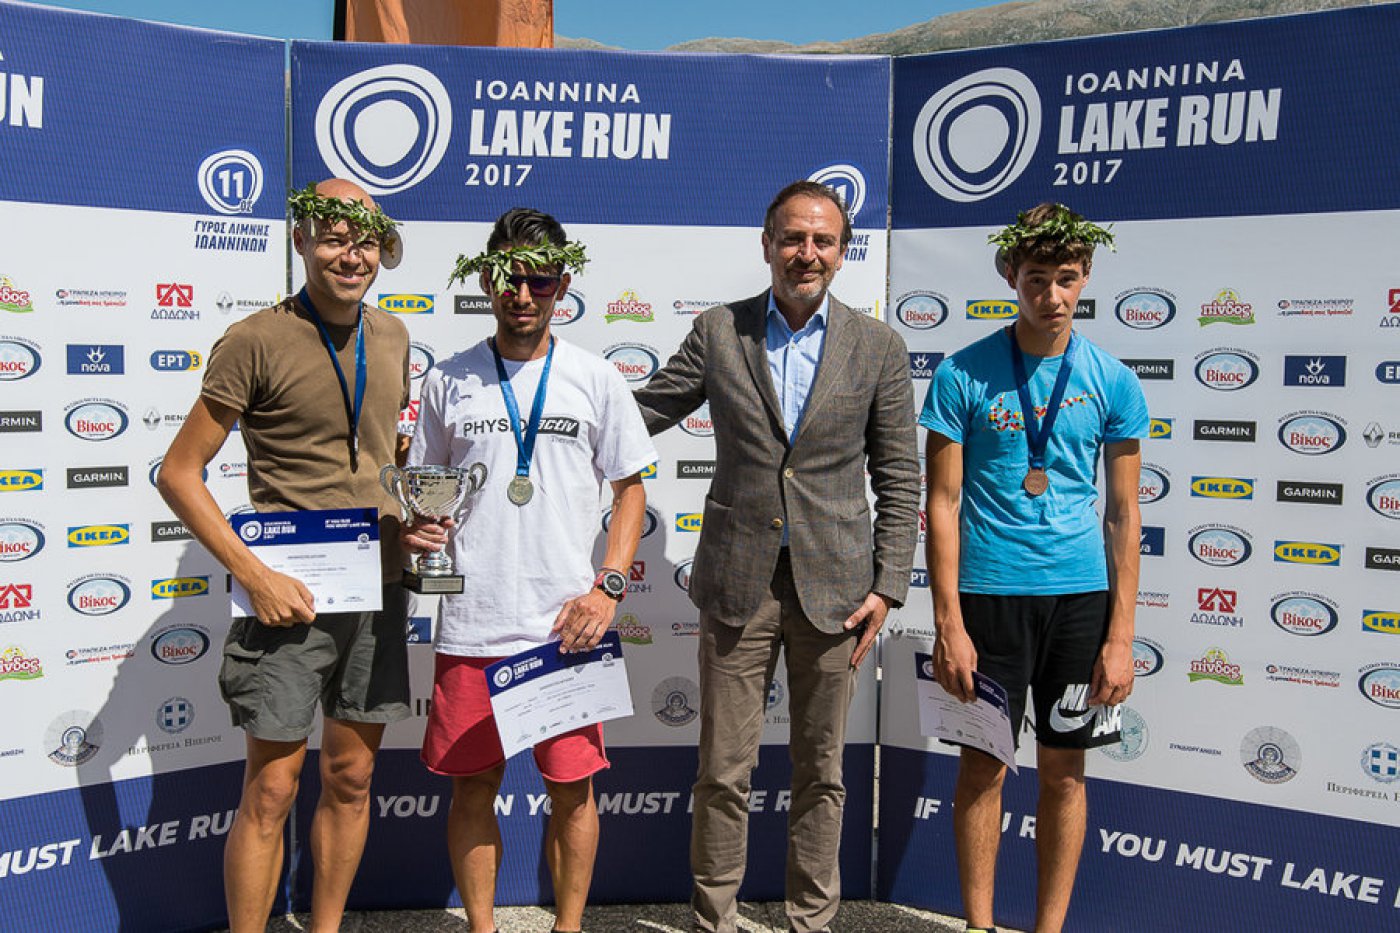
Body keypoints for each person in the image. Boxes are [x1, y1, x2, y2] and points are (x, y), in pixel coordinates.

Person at [634, 180, 920, 933]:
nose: (807, 253)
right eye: (793, 238)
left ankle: (810, 921)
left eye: (823, 240)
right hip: (738, 582)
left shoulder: (878, 346)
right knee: (723, 770)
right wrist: (559, 409)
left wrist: (889, 584)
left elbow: (899, 474)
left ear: (843, 251)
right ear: (767, 245)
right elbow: (646, 412)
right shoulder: (719, 331)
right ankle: (714, 919)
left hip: (839, 589)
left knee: (822, 772)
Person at [157, 179, 412, 932]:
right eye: (333, 238)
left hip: (377, 588)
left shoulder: (393, 336)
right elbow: (178, 473)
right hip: (287, 596)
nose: (351, 255)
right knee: (271, 790)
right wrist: (254, 574)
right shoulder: (254, 339)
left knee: (353, 775)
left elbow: (379, 455)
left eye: (365, 240)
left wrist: (414, 513)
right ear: (300, 241)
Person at [401, 208, 655, 933]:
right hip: (473, 623)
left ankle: (568, 928)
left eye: (539, 280)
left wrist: (608, 587)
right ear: (486, 280)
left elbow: (630, 489)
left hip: (566, 628)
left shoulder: (594, 377)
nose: (522, 294)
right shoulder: (449, 379)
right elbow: (424, 489)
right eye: (508, 278)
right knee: (472, 788)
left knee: (572, 791)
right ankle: (483, 928)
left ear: (562, 285)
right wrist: (420, 531)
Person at [921, 202, 1145, 933]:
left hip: (1080, 602)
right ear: (1010, 276)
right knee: (982, 768)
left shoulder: (1114, 379)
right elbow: (941, 503)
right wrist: (948, 624)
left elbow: (1124, 515)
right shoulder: (961, 373)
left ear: (1087, 277)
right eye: (1037, 278)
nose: (1052, 295)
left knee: (1066, 773)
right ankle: (979, 926)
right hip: (988, 598)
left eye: (1067, 278)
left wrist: (1121, 636)